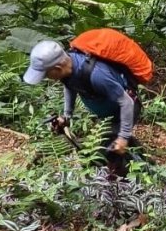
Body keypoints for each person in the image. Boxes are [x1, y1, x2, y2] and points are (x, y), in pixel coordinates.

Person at [22, 39, 142, 177]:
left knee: (106, 154)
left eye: (46, 75)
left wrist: (123, 136)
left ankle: (123, 184)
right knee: (111, 141)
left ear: (57, 68)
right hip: (108, 113)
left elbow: (126, 103)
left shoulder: (97, 75)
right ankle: (135, 155)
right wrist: (67, 116)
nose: (46, 78)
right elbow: (69, 87)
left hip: (125, 109)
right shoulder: (68, 71)